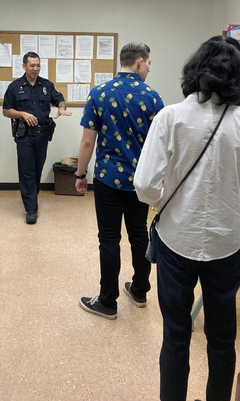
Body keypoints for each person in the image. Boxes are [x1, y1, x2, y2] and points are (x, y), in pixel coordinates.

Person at [134, 35, 240, 401]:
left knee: (176, 335)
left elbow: (144, 186)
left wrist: (166, 200)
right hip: (227, 243)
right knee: (223, 338)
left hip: (176, 241)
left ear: (195, 71)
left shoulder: (171, 117)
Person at [76, 42, 164, 319]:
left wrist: (80, 174)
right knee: (139, 234)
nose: (149, 68)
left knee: (109, 238)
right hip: (141, 180)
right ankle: (139, 289)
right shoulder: (153, 97)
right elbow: (159, 145)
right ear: (139, 62)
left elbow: (87, 141)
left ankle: (107, 301)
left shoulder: (99, 93)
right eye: (149, 63)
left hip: (108, 179)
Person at [2, 51, 72, 224]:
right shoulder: (15, 87)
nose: (35, 68)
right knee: (27, 171)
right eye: (32, 65)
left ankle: (31, 196)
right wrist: (22, 114)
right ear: (24, 66)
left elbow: (59, 99)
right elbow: (6, 111)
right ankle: (31, 209)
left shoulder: (46, 85)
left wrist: (61, 108)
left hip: (42, 135)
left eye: (38, 65)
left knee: (37, 169)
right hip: (24, 136)